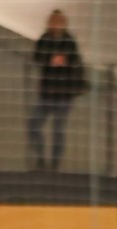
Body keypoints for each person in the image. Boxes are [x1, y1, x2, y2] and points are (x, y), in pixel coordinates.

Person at [28, 9, 85, 172]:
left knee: (58, 130)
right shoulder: (44, 39)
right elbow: (37, 57)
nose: (57, 25)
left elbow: (76, 62)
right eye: (54, 22)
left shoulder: (69, 41)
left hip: (64, 93)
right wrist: (50, 59)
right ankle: (40, 158)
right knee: (34, 125)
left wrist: (65, 62)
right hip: (46, 92)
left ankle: (55, 164)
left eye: (59, 22)